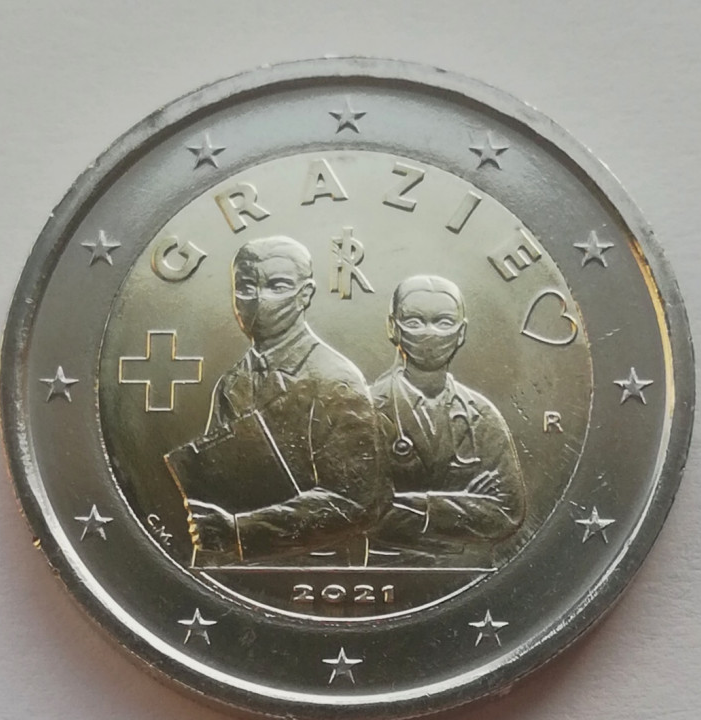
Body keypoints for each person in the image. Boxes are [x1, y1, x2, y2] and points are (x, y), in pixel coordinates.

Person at [165, 235, 381, 566]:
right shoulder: (232, 383)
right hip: (243, 568)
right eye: (245, 286)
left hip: (320, 566)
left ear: (305, 295)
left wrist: (240, 530)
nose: (258, 299)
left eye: (277, 286)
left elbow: (357, 502)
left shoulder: (335, 378)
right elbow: (217, 487)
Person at [368, 275, 525, 564]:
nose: (430, 333)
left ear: (461, 332)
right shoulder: (364, 411)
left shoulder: (482, 415)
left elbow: (507, 513)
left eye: (443, 322)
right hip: (384, 566)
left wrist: (416, 504)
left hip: (470, 570)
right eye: (414, 321)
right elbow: (363, 513)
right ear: (393, 327)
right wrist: (467, 503)